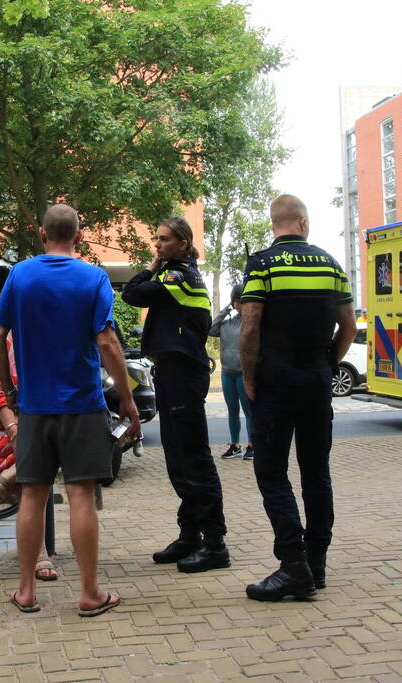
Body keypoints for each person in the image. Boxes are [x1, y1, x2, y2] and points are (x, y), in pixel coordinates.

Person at [0, 202, 140, 617]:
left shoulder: (20, 275)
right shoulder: (94, 277)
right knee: (80, 495)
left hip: (34, 407)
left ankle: (26, 591)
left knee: (32, 495)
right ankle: (90, 594)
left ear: (42, 234)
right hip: (82, 405)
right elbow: (108, 343)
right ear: (78, 233)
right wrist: (126, 399)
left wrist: (8, 389)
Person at [239, 195, 356, 602]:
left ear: (275, 224)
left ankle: (293, 566)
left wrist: (250, 379)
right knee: (316, 472)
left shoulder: (262, 265)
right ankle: (316, 563)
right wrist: (327, 362)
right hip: (316, 382)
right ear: (303, 223)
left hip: (275, 383)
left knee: (271, 473)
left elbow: (250, 327)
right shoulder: (330, 265)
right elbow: (349, 327)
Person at [121, 216, 228, 574]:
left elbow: (132, 292)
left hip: (184, 372)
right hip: (173, 370)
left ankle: (214, 544)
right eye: (156, 240)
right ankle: (190, 536)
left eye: (164, 240)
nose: (158, 245)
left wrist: (153, 266)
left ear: (183, 243)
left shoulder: (179, 275)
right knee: (178, 458)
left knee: (193, 459)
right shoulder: (174, 274)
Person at [0, 330, 58, 581]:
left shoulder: (52, 334)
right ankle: (39, 551)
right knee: (35, 472)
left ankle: (12, 473)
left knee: (45, 457)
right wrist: (13, 428)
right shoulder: (7, 338)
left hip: (47, 414)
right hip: (10, 421)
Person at [210, 283, 253, 461]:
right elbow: (211, 329)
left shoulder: (252, 323)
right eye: (235, 301)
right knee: (232, 411)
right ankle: (235, 446)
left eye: (240, 301)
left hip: (244, 373)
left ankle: (252, 445)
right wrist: (225, 309)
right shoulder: (227, 324)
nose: (237, 305)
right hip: (228, 373)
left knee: (249, 411)